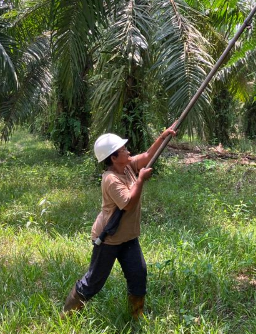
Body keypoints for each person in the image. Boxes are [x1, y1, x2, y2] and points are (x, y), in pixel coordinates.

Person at [62, 126, 176, 318]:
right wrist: (140, 180)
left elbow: (148, 155)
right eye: (123, 150)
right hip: (108, 239)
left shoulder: (128, 166)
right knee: (94, 282)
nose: (128, 151)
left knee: (138, 274)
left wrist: (163, 137)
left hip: (128, 237)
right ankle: (66, 315)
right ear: (113, 158)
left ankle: (136, 315)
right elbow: (128, 204)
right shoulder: (111, 179)